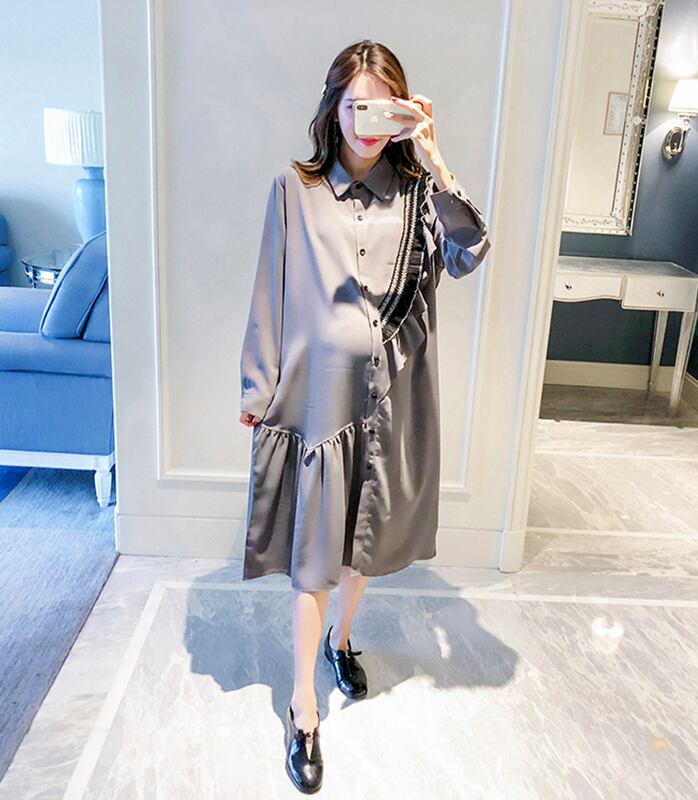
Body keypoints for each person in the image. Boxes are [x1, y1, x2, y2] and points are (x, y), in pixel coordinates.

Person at [239, 39, 491, 794]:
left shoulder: (417, 194)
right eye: (355, 106)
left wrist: (436, 157)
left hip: (393, 398)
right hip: (320, 402)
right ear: (333, 107)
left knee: (364, 542)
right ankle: (303, 707)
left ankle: (341, 640)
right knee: (314, 552)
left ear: (405, 111)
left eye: (383, 108)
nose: (367, 122)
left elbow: (469, 253)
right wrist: (258, 387)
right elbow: (270, 287)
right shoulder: (294, 188)